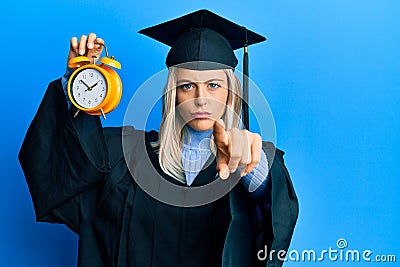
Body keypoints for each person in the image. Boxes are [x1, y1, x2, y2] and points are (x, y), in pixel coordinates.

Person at [19, 9, 298, 267]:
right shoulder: (128, 156)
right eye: (188, 86)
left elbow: (273, 207)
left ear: (231, 93)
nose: (201, 99)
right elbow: (62, 170)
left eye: (214, 85)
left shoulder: (245, 159)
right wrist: (78, 82)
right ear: (173, 94)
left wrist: (250, 164)